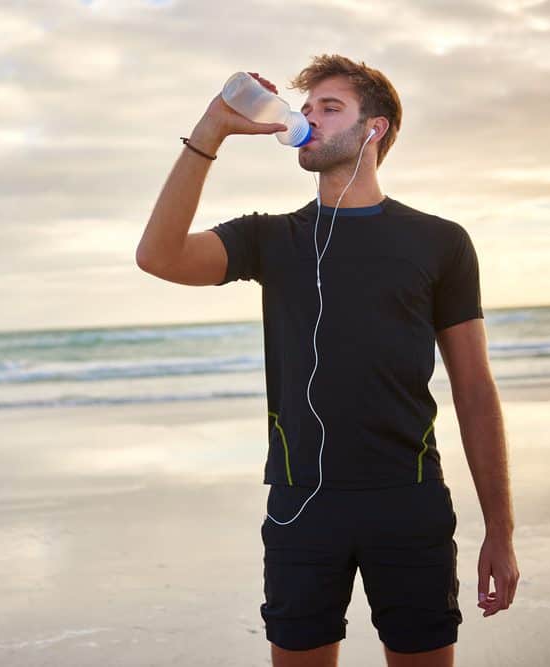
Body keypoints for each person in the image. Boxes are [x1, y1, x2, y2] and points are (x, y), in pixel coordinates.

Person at [135, 54, 519, 667]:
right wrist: (210, 131)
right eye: (306, 108)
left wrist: (500, 530)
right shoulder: (271, 238)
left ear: (375, 128)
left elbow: (474, 390)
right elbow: (158, 256)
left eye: (329, 107)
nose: (307, 118)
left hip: (409, 498)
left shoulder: (440, 241)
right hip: (300, 505)